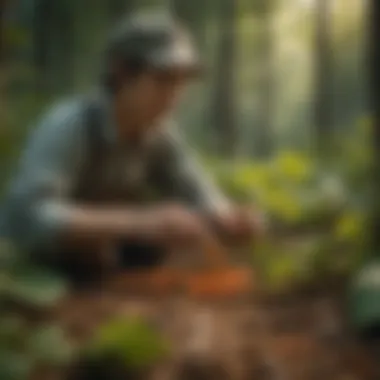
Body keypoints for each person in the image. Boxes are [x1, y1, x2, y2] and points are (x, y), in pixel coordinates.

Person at [2, 11, 261, 282]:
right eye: (163, 79)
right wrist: (141, 222)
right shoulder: (69, 124)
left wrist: (227, 218)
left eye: (182, 81)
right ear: (122, 71)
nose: (174, 95)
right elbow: (30, 216)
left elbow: (197, 188)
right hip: (25, 273)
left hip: (92, 270)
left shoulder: (159, 135)